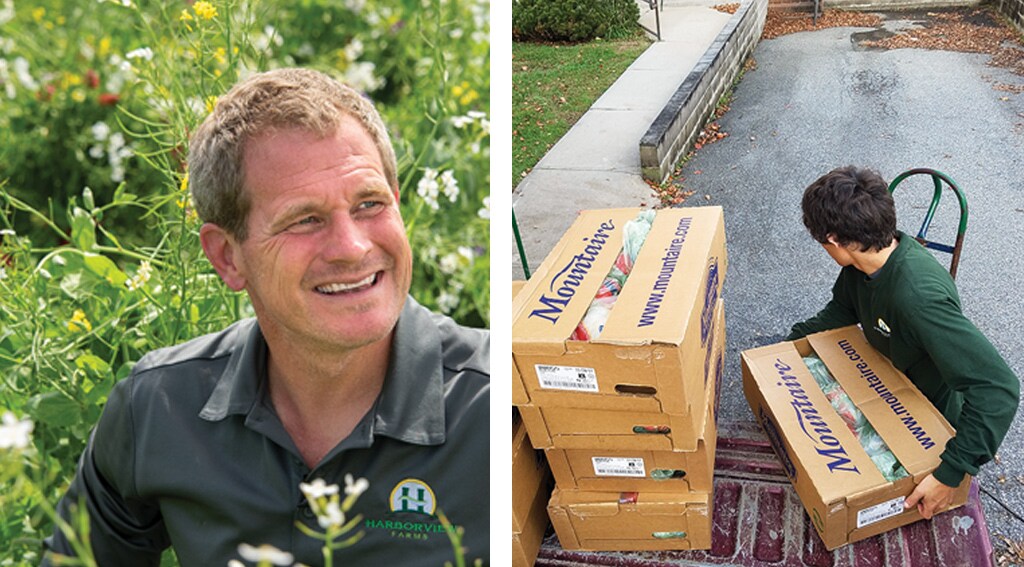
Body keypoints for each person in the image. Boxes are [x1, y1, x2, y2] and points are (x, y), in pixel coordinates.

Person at [44, 68, 490, 566]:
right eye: (305, 220)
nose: (353, 246)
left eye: (369, 204)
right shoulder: (156, 409)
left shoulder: (495, 407)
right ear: (227, 257)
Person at [787, 165, 1018, 521]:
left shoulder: (917, 298)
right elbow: (840, 312)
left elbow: (997, 388)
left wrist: (950, 471)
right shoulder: (861, 265)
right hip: (890, 385)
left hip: (929, 421)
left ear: (832, 240)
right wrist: (786, 346)